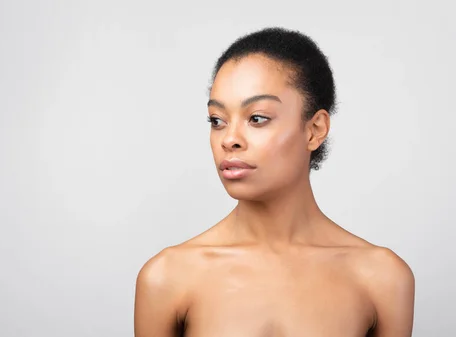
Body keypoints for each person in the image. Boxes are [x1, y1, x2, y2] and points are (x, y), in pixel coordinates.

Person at [134, 27, 415, 337]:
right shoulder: (167, 277)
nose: (230, 140)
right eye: (217, 120)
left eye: (257, 118)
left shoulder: (383, 278)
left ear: (315, 130)